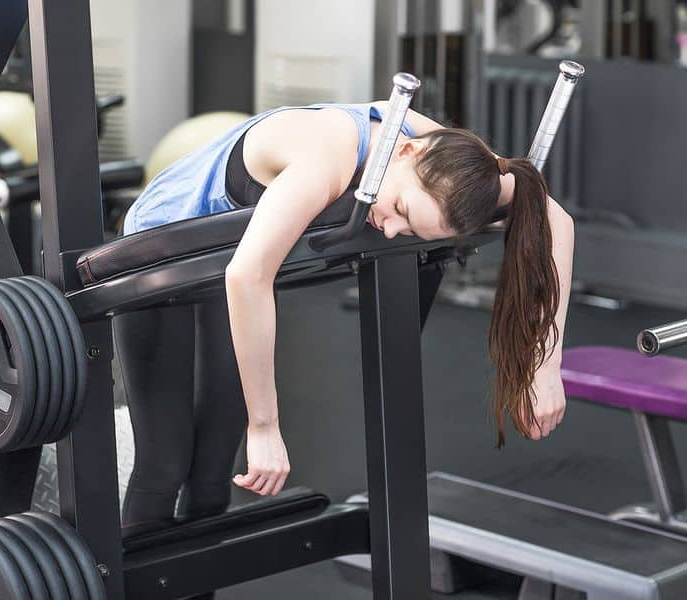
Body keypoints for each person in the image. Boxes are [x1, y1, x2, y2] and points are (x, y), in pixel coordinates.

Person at [116, 101, 574, 531]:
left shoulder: (457, 165)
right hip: (155, 258)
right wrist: (266, 426)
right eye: (400, 210)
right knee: (165, 464)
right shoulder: (326, 157)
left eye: (411, 230)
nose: (392, 229)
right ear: (408, 152)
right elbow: (247, 278)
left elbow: (554, 218)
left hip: (227, 264)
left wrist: (546, 364)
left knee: (213, 471)